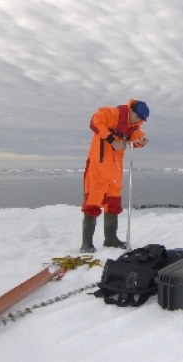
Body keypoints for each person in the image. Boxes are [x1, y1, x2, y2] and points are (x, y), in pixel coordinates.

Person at [80, 99, 149, 253]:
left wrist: (142, 142)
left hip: (115, 171)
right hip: (98, 167)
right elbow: (94, 122)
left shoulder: (133, 126)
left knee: (113, 203)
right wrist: (112, 140)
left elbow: (135, 138)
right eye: (137, 117)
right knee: (92, 203)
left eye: (141, 119)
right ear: (131, 111)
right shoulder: (111, 113)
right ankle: (87, 244)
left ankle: (110, 239)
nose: (139, 121)